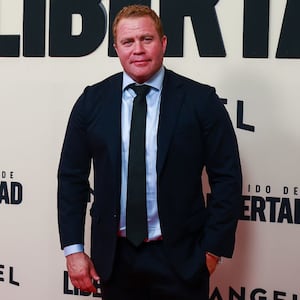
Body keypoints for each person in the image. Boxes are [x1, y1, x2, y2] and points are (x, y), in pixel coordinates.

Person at [57, 4, 242, 300]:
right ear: (116, 48)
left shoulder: (200, 100)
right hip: (115, 261)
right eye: (128, 42)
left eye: (147, 39)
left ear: (163, 43)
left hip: (182, 260)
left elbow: (227, 179)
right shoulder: (92, 101)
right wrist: (74, 250)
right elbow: (71, 179)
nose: (138, 50)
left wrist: (211, 251)